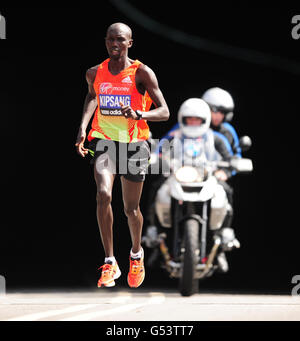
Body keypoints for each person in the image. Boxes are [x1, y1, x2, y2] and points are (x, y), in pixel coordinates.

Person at [75, 23, 169, 288]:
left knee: (131, 209)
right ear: (105, 42)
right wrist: (83, 127)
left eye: (120, 40)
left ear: (130, 43)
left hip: (135, 144)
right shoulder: (95, 72)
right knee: (103, 194)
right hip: (105, 141)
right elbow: (92, 97)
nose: (115, 44)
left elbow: (164, 111)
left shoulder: (141, 73)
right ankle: (110, 262)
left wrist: (140, 114)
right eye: (110, 40)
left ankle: (136, 254)